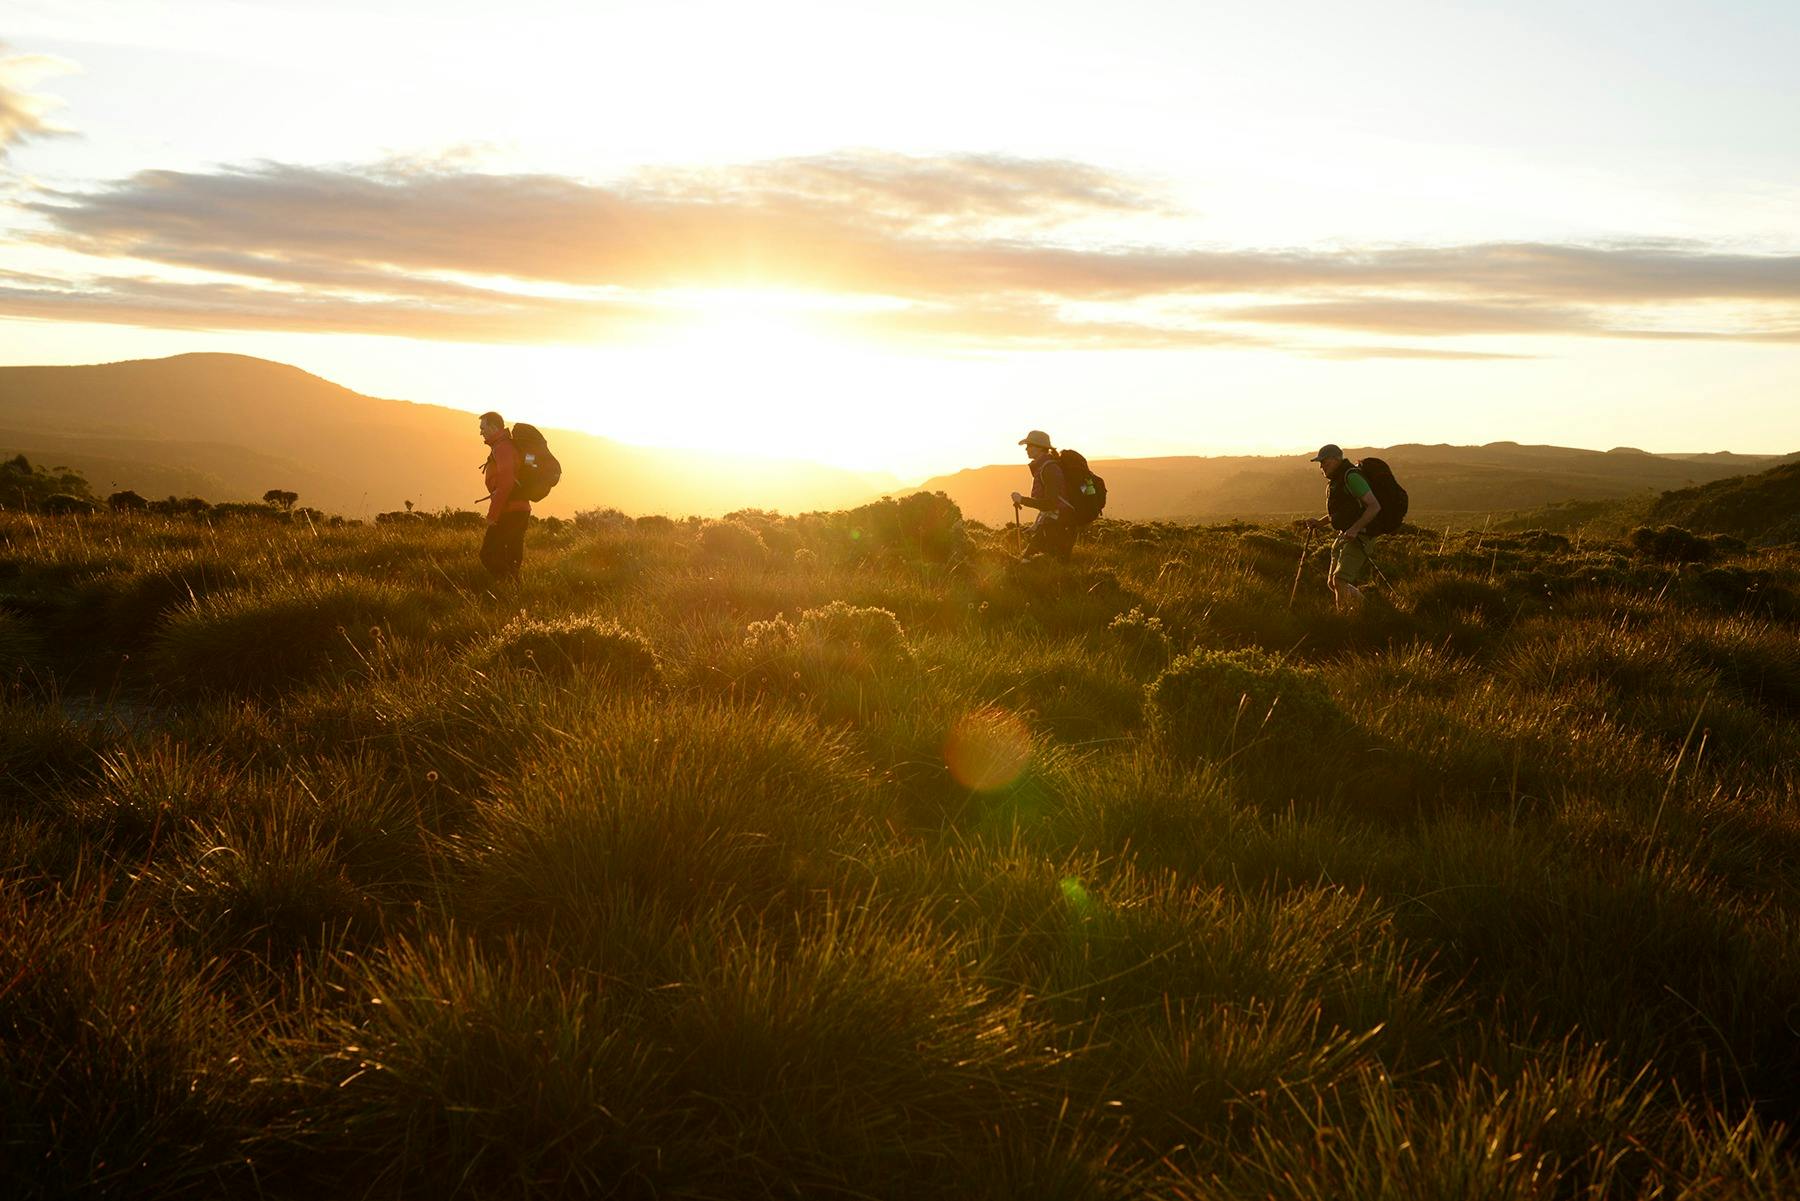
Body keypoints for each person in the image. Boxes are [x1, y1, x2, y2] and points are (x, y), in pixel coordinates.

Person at [1306, 443, 1381, 609]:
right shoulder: (1337, 481)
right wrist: (1319, 523)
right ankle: (1367, 608)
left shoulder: (1351, 477)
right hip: (1346, 534)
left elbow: (1374, 506)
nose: (1321, 467)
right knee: (1333, 583)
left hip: (1361, 535)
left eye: (1324, 462)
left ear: (1335, 460)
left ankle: (1344, 620)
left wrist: (1355, 529)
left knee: (1339, 580)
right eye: (1320, 463)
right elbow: (1342, 513)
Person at [1009, 430, 1079, 560]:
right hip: (1060, 524)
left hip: (1059, 526)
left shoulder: (1049, 469)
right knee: (1049, 567)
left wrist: (1022, 499)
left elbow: (1050, 503)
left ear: (1040, 448)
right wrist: (1036, 526)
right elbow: (1053, 504)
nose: (1026, 449)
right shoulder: (1046, 467)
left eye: (1029, 445)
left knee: (1027, 563)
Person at [478, 411, 531, 577]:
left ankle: (505, 586)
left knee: (488, 554)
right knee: (512, 558)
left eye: (483, 427)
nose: (481, 432)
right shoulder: (506, 445)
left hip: (510, 511)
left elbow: (506, 484)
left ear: (494, 427)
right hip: (521, 509)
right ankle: (512, 594)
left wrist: (493, 515)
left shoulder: (502, 448)